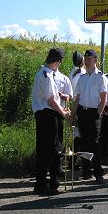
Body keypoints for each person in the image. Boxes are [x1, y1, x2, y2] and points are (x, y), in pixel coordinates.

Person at [31, 48, 70, 195]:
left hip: (44, 115)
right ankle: (51, 183)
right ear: (58, 61)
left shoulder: (43, 72)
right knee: (54, 148)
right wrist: (63, 112)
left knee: (45, 149)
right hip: (48, 115)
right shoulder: (47, 75)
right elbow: (51, 100)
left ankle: (42, 182)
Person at [71, 50, 107, 183]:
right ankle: (87, 171)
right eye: (85, 59)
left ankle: (98, 172)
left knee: (95, 143)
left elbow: (104, 97)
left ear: (95, 60)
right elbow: (77, 98)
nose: (86, 61)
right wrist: (73, 115)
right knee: (84, 142)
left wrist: (98, 112)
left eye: (89, 59)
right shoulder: (82, 77)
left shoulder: (100, 77)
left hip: (94, 112)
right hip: (82, 111)